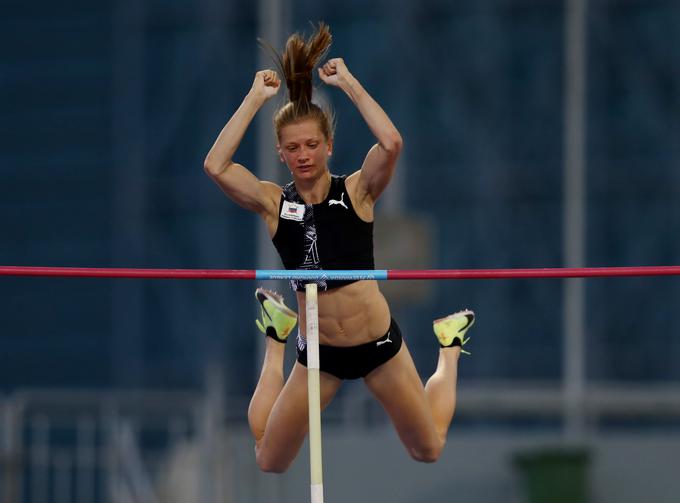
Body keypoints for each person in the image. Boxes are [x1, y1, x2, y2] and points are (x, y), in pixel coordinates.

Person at [204, 23, 475, 473]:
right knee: (269, 459)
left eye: (312, 144)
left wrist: (348, 82)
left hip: (377, 343)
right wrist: (254, 99)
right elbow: (215, 165)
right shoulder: (274, 203)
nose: (304, 154)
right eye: (293, 148)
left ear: (329, 146)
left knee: (428, 448)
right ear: (281, 153)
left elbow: (391, 143)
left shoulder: (357, 192)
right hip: (320, 354)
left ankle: (448, 345)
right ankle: (277, 338)